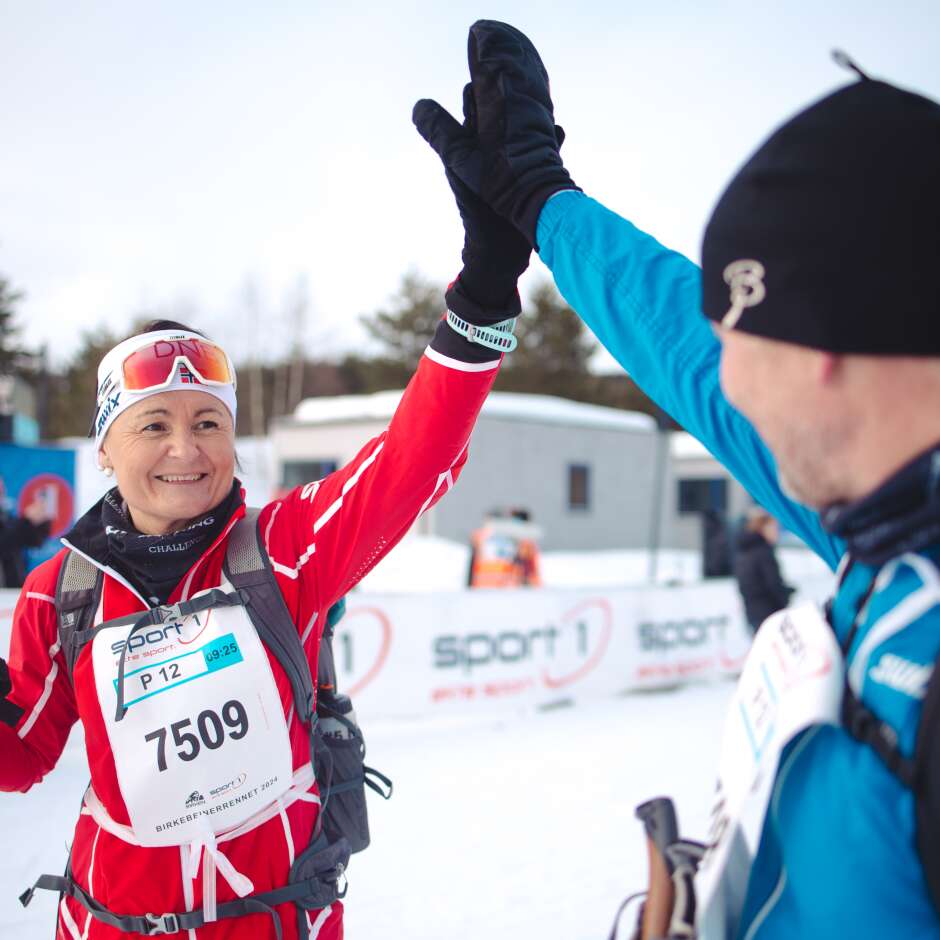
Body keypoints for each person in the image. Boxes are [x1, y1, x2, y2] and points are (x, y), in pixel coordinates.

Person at [414, 20, 940, 938]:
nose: (724, 382)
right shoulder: (887, 517)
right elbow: (676, 339)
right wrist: (542, 200)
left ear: (820, 344)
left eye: (741, 342)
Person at [0, 132, 531, 938]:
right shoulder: (62, 592)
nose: (186, 449)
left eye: (209, 421)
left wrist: (483, 301)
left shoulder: (283, 548)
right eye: (154, 425)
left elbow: (407, 465)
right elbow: (21, 755)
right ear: (105, 447)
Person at [733, 508, 794, 633]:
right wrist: (785, 597)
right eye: (774, 528)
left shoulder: (743, 551)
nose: (777, 532)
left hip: (753, 615)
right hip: (770, 615)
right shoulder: (763, 553)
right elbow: (773, 584)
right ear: (763, 528)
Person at [0, 478, 53, 588]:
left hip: (13, 587)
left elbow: (34, 541)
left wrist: (42, 521)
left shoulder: (6, 516)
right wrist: (26, 520)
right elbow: (5, 542)